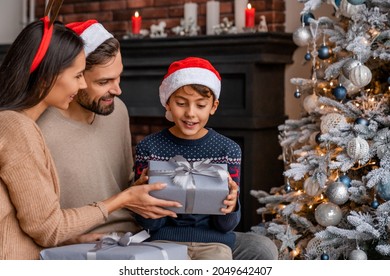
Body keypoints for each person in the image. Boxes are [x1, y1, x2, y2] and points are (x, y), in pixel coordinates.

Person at [37, 20, 279, 260]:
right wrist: (71, 239)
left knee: (261, 248)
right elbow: (37, 223)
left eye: (118, 77)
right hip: (104, 241)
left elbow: (129, 181)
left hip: (139, 229)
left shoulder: (115, 110)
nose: (118, 90)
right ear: (75, 76)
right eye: (104, 82)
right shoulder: (40, 128)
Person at [0, 18, 165, 260]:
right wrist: (121, 200)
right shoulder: (21, 127)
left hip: (125, 239)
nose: (117, 90)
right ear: (49, 77)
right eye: (79, 76)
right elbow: (48, 229)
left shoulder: (117, 112)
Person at [133, 57, 241, 260]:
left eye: (200, 105)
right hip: (161, 241)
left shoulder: (228, 150)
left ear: (213, 106)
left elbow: (226, 225)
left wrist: (232, 205)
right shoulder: (149, 148)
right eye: (181, 103)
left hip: (213, 244)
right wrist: (142, 198)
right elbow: (148, 224)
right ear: (168, 103)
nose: (190, 113)